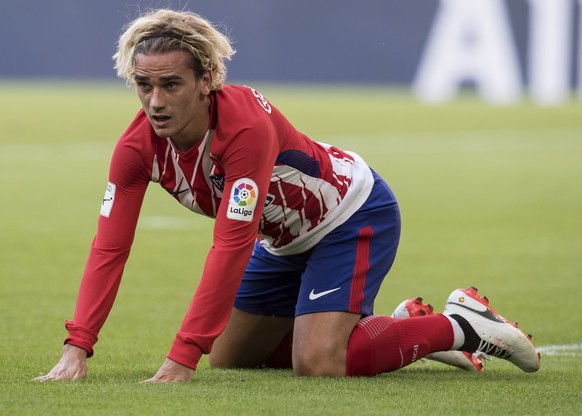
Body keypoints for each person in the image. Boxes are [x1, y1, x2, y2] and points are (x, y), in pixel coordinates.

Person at [34, 9, 540, 383]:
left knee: (318, 365)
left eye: (171, 84)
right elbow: (109, 248)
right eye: (143, 85)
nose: (156, 101)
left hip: (352, 216)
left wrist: (181, 356)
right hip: (283, 243)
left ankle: (458, 326)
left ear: (207, 80)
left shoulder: (244, 128)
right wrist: (76, 347)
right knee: (230, 358)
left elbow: (231, 245)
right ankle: (392, 330)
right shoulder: (135, 148)